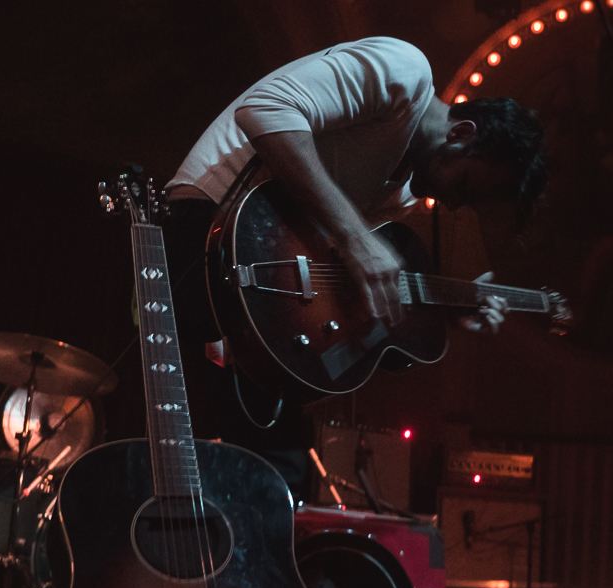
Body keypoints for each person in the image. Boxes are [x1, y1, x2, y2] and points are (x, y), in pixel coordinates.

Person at [161, 37, 547, 489]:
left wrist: (441, 308)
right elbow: (263, 109)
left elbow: (327, 264)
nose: (455, 205)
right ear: (461, 134)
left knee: (275, 475)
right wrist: (356, 238)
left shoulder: (400, 194)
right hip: (204, 224)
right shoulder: (404, 71)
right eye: (465, 186)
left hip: (256, 276)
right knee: (249, 469)